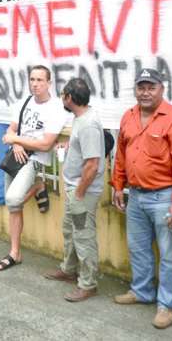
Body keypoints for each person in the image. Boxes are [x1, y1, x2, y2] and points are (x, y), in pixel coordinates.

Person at [111, 68, 172, 330]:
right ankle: (142, 291)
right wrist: (118, 185)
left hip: (165, 197)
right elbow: (121, 154)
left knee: (169, 254)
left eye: (151, 87)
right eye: (141, 87)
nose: (145, 92)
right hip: (135, 196)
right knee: (138, 247)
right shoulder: (129, 116)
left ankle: (167, 305)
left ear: (162, 89)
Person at [0, 65, 66, 271]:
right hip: (16, 156)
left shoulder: (56, 108)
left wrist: (16, 140)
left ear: (49, 83)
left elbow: (45, 144)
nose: (35, 84)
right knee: (13, 206)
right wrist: (16, 143)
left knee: (12, 199)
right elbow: (11, 130)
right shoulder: (24, 102)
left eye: (40, 80)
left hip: (34, 159)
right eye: (32, 79)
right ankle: (14, 253)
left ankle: (37, 186)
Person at [43, 78, 105, 303]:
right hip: (75, 189)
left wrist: (79, 193)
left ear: (69, 98)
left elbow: (92, 164)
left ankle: (88, 284)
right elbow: (82, 147)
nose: (62, 98)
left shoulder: (88, 124)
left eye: (63, 95)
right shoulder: (81, 117)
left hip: (82, 192)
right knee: (70, 230)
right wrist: (68, 146)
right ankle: (68, 270)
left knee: (83, 236)